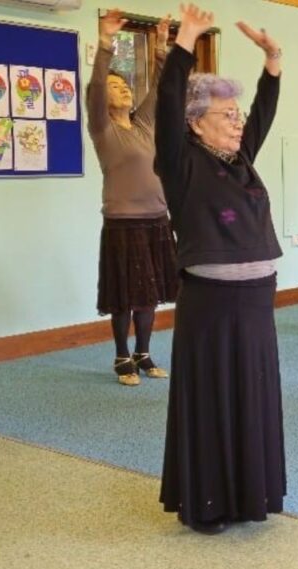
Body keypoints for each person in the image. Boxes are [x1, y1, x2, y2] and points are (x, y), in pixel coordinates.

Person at [155, 3, 285, 535]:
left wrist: (273, 61)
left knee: (252, 393)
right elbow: (166, 102)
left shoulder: (242, 156)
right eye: (226, 115)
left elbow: (265, 113)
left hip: (257, 297)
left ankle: (251, 493)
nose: (238, 122)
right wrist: (185, 40)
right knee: (213, 397)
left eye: (237, 114)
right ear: (195, 123)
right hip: (210, 303)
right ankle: (207, 502)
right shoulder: (179, 161)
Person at [87, 10, 178, 386]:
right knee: (125, 294)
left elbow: (159, 86)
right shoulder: (102, 128)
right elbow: (93, 89)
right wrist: (106, 44)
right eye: (115, 87)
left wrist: (161, 48)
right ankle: (121, 357)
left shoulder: (143, 124)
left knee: (150, 294)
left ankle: (143, 352)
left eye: (125, 86)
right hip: (123, 222)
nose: (123, 89)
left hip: (157, 218)